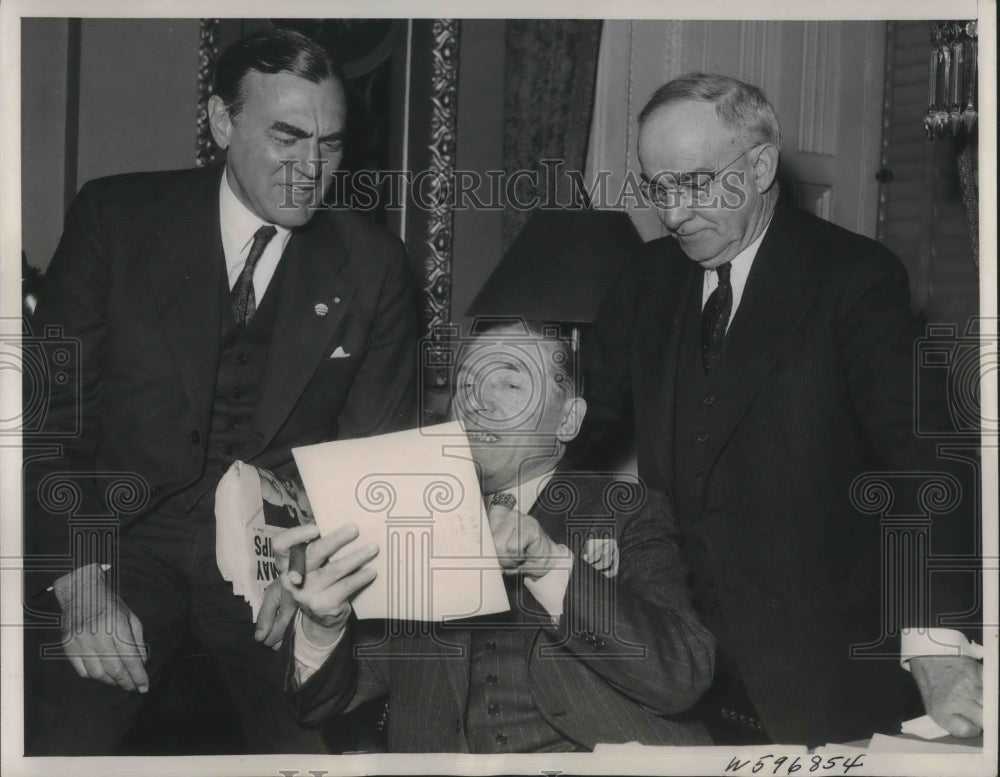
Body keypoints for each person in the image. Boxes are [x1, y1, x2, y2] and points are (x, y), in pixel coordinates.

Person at [22, 29, 416, 755]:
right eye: (288, 138)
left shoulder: (374, 264)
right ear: (221, 121)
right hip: (120, 541)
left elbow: (372, 460)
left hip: (278, 557)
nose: (311, 171)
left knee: (322, 754)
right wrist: (78, 580)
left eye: (329, 144)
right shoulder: (117, 219)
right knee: (57, 745)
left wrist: (307, 570)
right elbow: (51, 422)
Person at [576, 72, 981, 746]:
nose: (673, 214)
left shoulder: (855, 279)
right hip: (677, 675)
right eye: (658, 189)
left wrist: (936, 644)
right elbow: (579, 430)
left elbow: (927, 468)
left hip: (823, 682)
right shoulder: (643, 282)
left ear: (761, 165)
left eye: (696, 184)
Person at [272, 324, 715, 752]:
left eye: (509, 385)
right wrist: (321, 625)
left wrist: (549, 564)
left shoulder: (625, 510)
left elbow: (682, 676)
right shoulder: (403, 520)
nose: (477, 403)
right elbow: (319, 706)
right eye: (465, 385)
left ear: (568, 419)